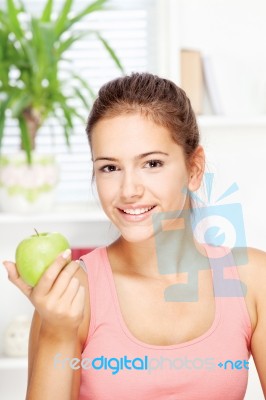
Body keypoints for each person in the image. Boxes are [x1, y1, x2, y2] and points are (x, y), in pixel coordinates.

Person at [3, 72, 266, 400]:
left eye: (152, 163)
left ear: (194, 169)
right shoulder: (72, 295)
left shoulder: (252, 280)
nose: (129, 191)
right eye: (110, 168)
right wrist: (57, 330)